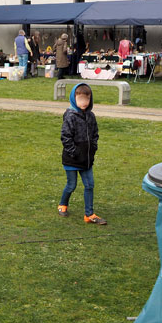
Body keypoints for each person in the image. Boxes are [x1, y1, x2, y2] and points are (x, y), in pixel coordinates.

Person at [58, 83, 106, 224]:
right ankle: (62, 204)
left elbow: (95, 134)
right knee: (71, 185)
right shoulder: (70, 116)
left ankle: (89, 214)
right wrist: (75, 152)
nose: (84, 103)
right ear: (74, 99)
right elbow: (65, 137)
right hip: (72, 159)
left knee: (89, 185)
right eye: (81, 100)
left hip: (86, 159)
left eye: (86, 100)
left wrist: (93, 149)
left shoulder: (91, 116)